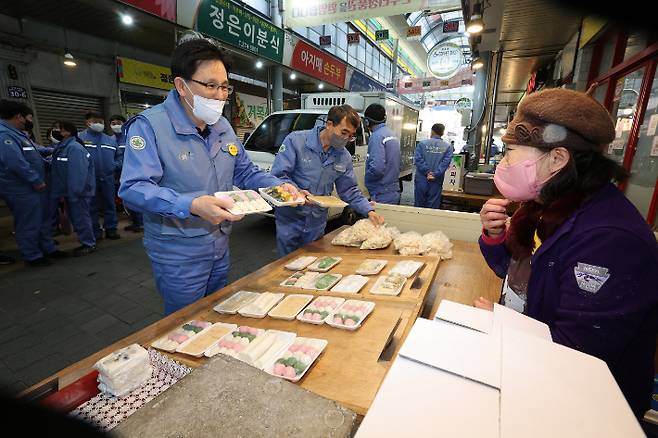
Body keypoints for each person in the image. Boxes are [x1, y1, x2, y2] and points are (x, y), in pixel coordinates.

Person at [476, 88, 658, 418]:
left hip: (587, 409)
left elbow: (578, 355)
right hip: (536, 373)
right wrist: (494, 235)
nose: (503, 163)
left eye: (511, 151)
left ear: (558, 159)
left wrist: (504, 327)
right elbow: (519, 276)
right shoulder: (544, 207)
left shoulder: (610, 240)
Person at [119, 38, 299, 315]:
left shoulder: (222, 126)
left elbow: (246, 172)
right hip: (178, 251)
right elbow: (133, 188)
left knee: (215, 313)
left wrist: (281, 187)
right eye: (211, 85)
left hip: (220, 245)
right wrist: (190, 205)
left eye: (225, 86)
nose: (220, 95)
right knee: (184, 323)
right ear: (181, 86)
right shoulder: (150, 127)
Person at [271, 104, 385, 257]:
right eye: (343, 132)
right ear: (329, 124)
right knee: (286, 265)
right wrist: (297, 192)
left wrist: (368, 210)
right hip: (291, 218)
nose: (346, 138)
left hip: (316, 221)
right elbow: (279, 175)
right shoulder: (296, 141)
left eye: (351, 135)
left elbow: (349, 189)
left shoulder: (343, 156)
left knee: (311, 263)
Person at [0, 100, 65, 266]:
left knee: (42, 219)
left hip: (34, 188)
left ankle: (48, 248)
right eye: (28, 117)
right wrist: (35, 179)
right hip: (21, 189)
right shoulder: (4, 135)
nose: (29, 121)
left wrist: (60, 148)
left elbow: (36, 150)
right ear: (19, 117)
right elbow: (15, 163)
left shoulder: (17, 133)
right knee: (28, 222)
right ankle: (32, 255)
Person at [50, 121, 97, 256]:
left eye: (59, 129)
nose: (56, 132)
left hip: (78, 192)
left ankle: (88, 244)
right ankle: (86, 242)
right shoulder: (63, 147)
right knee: (78, 218)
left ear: (68, 132)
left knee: (81, 218)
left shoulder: (74, 148)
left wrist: (74, 193)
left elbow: (78, 174)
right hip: (70, 191)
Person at [79, 111, 121, 241]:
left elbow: (119, 157)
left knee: (110, 204)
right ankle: (95, 232)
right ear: (87, 123)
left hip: (107, 178)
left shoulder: (109, 140)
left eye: (101, 122)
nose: (98, 124)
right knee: (92, 206)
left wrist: (114, 166)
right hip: (88, 179)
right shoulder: (79, 138)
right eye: (94, 121)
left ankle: (111, 229)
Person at [110, 114, 143, 233]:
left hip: (131, 173)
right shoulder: (110, 139)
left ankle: (140, 223)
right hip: (116, 175)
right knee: (125, 201)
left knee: (134, 199)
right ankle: (135, 222)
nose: (116, 125)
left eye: (118, 122)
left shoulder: (132, 136)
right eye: (113, 123)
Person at [363, 103, 401, 204]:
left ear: (367, 121)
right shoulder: (391, 134)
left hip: (381, 193)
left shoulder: (376, 137)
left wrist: (368, 180)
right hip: (392, 191)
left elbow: (377, 169)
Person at [414, 123, 454, 209]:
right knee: (432, 206)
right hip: (436, 181)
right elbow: (445, 163)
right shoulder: (448, 147)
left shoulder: (422, 144)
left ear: (432, 131)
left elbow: (418, 159)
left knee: (418, 207)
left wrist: (427, 172)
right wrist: (435, 174)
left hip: (421, 179)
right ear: (442, 133)